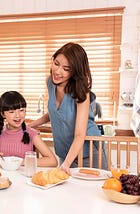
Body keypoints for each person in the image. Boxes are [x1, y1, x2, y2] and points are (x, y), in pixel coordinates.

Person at [28, 42, 108, 174]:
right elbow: (55, 112)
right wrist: (30, 125)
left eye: (66, 69)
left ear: (74, 72)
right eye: (57, 63)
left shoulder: (81, 92)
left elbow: (79, 134)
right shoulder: (50, 82)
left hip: (88, 152)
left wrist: (65, 165)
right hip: (65, 150)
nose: (58, 71)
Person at [0, 91, 58, 167]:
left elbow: (53, 161)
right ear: (3, 114)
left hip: (24, 178)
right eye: (12, 112)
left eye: (21, 110)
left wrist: (21, 162)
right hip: (2, 177)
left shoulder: (32, 134)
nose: (18, 115)